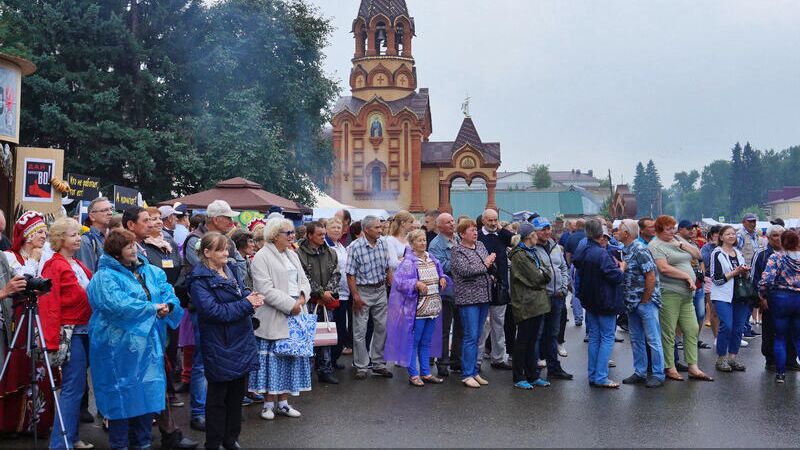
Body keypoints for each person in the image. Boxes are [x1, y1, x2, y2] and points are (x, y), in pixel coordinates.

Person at [87, 229, 183, 450]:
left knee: (147, 395)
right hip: (117, 347)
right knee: (120, 396)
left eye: (134, 245)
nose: (134, 249)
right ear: (116, 251)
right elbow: (115, 304)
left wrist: (168, 307)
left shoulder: (151, 271)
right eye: (128, 245)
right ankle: (120, 444)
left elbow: (167, 292)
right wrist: (151, 309)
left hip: (149, 346)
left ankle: (143, 443)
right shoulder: (104, 277)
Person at [188, 232, 262, 449]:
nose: (226, 253)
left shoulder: (229, 268)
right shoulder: (199, 279)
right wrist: (247, 304)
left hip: (240, 339)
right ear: (207, 252)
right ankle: (215, 441)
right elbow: (214, 312)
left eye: (226, 248)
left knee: (236, 395)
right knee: (218, 397)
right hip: (220, 342)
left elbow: (241, 290)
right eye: (220, 249)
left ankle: (231, 438)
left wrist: (252, 296)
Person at [184, 200, 240, 432]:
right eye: (228, 218)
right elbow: (206, 271)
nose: (232, 222)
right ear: (216, 219)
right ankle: (199, 412)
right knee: (201, 362)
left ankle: (218, 409)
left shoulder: (225, 241)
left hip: (226, 308)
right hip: (205, 310)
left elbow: (233, 267)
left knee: (223, 358)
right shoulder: (194, 240)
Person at [37, 218, 93, 449]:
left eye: (78, 234)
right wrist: (49, 341)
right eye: (72, 235)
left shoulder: (76, 263)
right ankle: (60, 443)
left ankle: (72, 437)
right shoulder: (55, 265)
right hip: (71, 332)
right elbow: (49, 306)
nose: (78, 238)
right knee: (72, 387)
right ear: (60, 239)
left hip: (85, 329)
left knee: (77, 387)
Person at [0, 211, 56, 437]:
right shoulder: (9, 256)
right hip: (19, 319)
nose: (44, 236)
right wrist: (33, 259)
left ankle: (38, 423)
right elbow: (23, 282)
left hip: (41, 317)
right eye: (39, 232)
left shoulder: (46, 255)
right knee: (17, 366)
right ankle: (12, 423)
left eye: (45, 231)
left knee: (41, 368)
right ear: (27, 235)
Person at [250, 217, 312, 419]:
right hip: (274, 314)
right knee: (272, 360)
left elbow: (303, 279)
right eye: (289, 233)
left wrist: (302, 297)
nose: (293, 236)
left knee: (290, 357)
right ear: (275, 235)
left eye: (292, 232)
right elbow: (264, 289)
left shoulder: (292, 254)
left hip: (296, 309)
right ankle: (268, 404)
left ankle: (284, 402)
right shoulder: (261, 256)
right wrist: (290, 304)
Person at [649, 215, 713, 382]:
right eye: (668, 229)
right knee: (669, 331)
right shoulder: (655, 245)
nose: (672, 231)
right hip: (669, 292)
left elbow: (698, 255)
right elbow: (663, 268)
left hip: (687, 294)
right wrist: (686, 276)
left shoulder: (677, 239)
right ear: (659, 229)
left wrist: (680, 243)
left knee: (692, 328)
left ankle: (693, 366)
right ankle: (670, 367)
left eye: (673, 228)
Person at [384, 229, 448, 386]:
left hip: (432, 308)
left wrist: (442, 279)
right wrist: (416, 283)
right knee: (414, 341)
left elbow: (441, 273)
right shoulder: (408, 262)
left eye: (424, 239)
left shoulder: (432, 258)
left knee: (426, 341)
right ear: (412, 244)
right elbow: (399, 283)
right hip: (417, 309)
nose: (423, 242)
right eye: (419, 240)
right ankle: (413, 374)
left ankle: (426, 372)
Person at [572, 219, 625, 388]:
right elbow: (616, 277)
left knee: (595, 337)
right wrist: (622, 267)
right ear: (600, 234)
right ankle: (601, 376)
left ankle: (593, 374)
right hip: (605, 299)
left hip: (590, 298)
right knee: (607, 337)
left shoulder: (582, 249)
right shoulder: (601, 253)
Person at [617, 219, 665, 388]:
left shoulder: (639, 249)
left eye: (619, 229)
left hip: (645, 302)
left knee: (653, 339)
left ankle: (658, 374)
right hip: (631, 303)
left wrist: (645, 299)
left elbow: (650, 276)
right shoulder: (625, 249)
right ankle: (640, 372)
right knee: (636, 339)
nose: (616, 232)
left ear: (627, 233)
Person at [345, 215, 394, 380]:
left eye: (380, 227)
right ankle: (361, 366)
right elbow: (350, 274)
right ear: (366, 230)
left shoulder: (382, 243)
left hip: (380, 290)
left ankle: (378, 363)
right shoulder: (355, 247)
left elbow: (388, 267)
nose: (380, 230)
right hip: (363, 291)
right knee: (360, 330)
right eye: (377, 228)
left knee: (382, 328)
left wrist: (390, 285)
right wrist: (356, 296)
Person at [451, 218, 495, 388]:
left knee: (478, 335)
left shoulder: (481, 246)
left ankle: (475, 371)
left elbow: (485, 267)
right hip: (468, 298)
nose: (475, 232)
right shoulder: (457, 250)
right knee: (470, 335)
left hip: (484, 295)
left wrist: (488, 266)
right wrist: (486, 263)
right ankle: (466, 373)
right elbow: (466, 271)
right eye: (471, 230)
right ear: (462, 234)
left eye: (476, 229)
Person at [508, 223, 552, 389]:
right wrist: (542, 273)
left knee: (533, 341)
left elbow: (546, 272)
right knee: (523, 341)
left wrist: (542, 273)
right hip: (526, 303)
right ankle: (519, 376)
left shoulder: (533, 252)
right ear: (529, 236)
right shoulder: (520, 255)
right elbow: (535, 278)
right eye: (535, 234)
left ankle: (533, 375)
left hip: (538, 302)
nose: (537, 236)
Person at [297, 221, 341, 385]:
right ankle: (305, 372)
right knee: (308, 336)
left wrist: (328, 292)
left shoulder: (331, 252)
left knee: (325, 335)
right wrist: (321, 293)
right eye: (320, 235)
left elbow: (336, 274)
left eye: (324, 234)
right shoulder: (298, 254)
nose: (324, 237)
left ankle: (325, 370)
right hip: (308, 301)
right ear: (309, 235)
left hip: (325, 300)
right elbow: (303, 277)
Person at [531, 217, 573, 380]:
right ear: (535, 232)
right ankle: (533, 369)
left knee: (553, 334)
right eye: (543, 229)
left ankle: (554, 367)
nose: (547, 232)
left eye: (548, 229)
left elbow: (563, 267)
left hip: (557, 296)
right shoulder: (531, 249)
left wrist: (563, 287)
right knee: (537, 334)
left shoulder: (555, 247)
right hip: (541, 297)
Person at [752, 225, 798, 372]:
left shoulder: (782, 256)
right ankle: (771, 360)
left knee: (791, 332)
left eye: (781, 235)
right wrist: (761, 297)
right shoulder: (763, 254)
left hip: (782, 298)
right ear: (769, 238)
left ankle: (790, 361)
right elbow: (756, 277)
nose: (778, 239)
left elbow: (766, 280)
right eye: (775, 236)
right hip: (772, 298)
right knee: (771, 331)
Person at [709, 225, 751, 372]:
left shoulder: (738, 254)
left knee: (739, 328)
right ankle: (721, 359)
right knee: (727, 325)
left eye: (733, 234)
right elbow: (716, 279)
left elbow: (745, 277)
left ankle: (732, 358)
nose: (731, 236)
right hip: (722, 295)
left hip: (740, 295)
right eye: (728, 234)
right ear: (721, 237)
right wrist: (735, 272)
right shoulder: (717, 253)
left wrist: (744, 272)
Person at [477, 208, 514, 369]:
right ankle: (477, 361)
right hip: (482, 285)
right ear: (483, 220)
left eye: (495, 220)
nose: (492, 223)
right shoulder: (477, 236)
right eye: (490, 220)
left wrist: (500, 229)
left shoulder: (502, 235)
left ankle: (498, 358)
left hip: (501, 286)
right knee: (483, 325)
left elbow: (515, 241)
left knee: (499, 323)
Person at [428, 213, 463, 377]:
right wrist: (461, 260)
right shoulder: (435, 244)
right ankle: (442, 363)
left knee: (460, 328)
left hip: (463, 290)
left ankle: (457, 360)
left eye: (452, 221)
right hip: (446, 291)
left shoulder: (457, 238)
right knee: (444, 329)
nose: (452, 224)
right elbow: (441, 266)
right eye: (448, 222)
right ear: (440, 226)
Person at [677, 220, 710, 350]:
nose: (692, 230)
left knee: (700, 313)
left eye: (693, 228)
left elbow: (700, 259)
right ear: (680, 229)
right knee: (680, 313)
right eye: (688, 228)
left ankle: (695, 339)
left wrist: (702, 271)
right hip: (683, 282)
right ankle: (679, 340)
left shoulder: (694, 243)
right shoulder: (674, 242)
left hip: (698, 282)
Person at [325, 218, 353, 363]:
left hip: (344, 293)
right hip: (332, 294)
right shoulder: (325, 245)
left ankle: (333, 360)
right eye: (333, 227)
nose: (336, 230)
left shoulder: (341, 246)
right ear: (326, 229)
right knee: (330, 329)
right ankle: (327, 361)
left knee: (341, 330)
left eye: (339, 227)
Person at [564, 218, 587, 326]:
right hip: (588, 265)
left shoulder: (571, 237)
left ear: (576, 226)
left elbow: (568, 254)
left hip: (575, 266)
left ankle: (578, 318)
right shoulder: (588, 237)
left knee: (575, 291)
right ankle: (589, 317)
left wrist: (570, 265)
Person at [701, 226, 722, 339]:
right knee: (714, 310)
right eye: (715, 234)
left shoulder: (728, 247)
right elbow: (702, 262)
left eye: (719, 234)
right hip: (710, 280)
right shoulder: (706, 248)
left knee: (726, 311)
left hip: (726, 281)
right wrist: (704, 276)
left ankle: (728, 336)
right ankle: (717, 337)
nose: (717, 236)